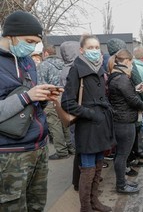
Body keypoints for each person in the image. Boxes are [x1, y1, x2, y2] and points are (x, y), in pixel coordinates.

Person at [0, 10, 62, 211]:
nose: (32, 47)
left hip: (38, 147)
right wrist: (28, 96)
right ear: (11, 35)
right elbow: (23, 98)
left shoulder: (28, 62)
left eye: (36, 42)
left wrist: (43, 98)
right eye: (29, 40)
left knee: (37, 205)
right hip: (10, 154)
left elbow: (28, 105)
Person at [61, 34, 115, 212]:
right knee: (88, 169)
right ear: (82, 50)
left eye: (96, 47)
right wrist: (90, 113)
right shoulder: (76, 69)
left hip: (101, 125)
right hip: (88, 127)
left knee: (99, 165)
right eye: (90, 48)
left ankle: (95, 202)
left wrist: (106, 109)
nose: (94, 51)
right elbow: (67, 102)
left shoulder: (99, 68)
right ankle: (85, 207)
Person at [107, 49, 143, 194]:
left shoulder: (115, 76)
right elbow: (132, 100)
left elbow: (123, 95)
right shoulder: (122, 78)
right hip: (124, 121)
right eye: (132, 63)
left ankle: (122, 182)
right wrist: (142, 106)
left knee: (120, 154)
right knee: (123, 155)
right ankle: (121, 185)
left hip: (120, 119)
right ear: (127, 61)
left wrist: (134, 89)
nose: (132, 66)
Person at [38, 44, 75, 159]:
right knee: (65, 123)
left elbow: (41, 84)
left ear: (46, 53)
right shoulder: (64, 64)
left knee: (54, 124)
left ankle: (61, 151)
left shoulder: (43, 65)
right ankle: (71, 147)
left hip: (51, 97)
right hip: (65, 96)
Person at [59, 41, 81, 191]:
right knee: (80, 148)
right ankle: (79, 181)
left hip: (72, 113)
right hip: (76, 114)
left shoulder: (66, 68)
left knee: (79, 147)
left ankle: (78, 179)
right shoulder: (73, 70)